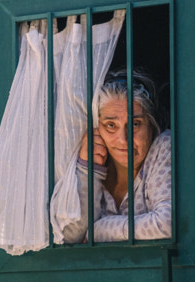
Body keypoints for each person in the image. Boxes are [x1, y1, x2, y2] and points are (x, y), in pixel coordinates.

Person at [62, 71, 171, 243]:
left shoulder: (163, 147)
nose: (123, 139)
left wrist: (98, 230)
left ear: (151, 125)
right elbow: (68, 235)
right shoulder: (90, 163)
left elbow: (167, 223)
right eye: (111, 125)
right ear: (97, 130)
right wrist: (87, 169)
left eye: (135, 124)